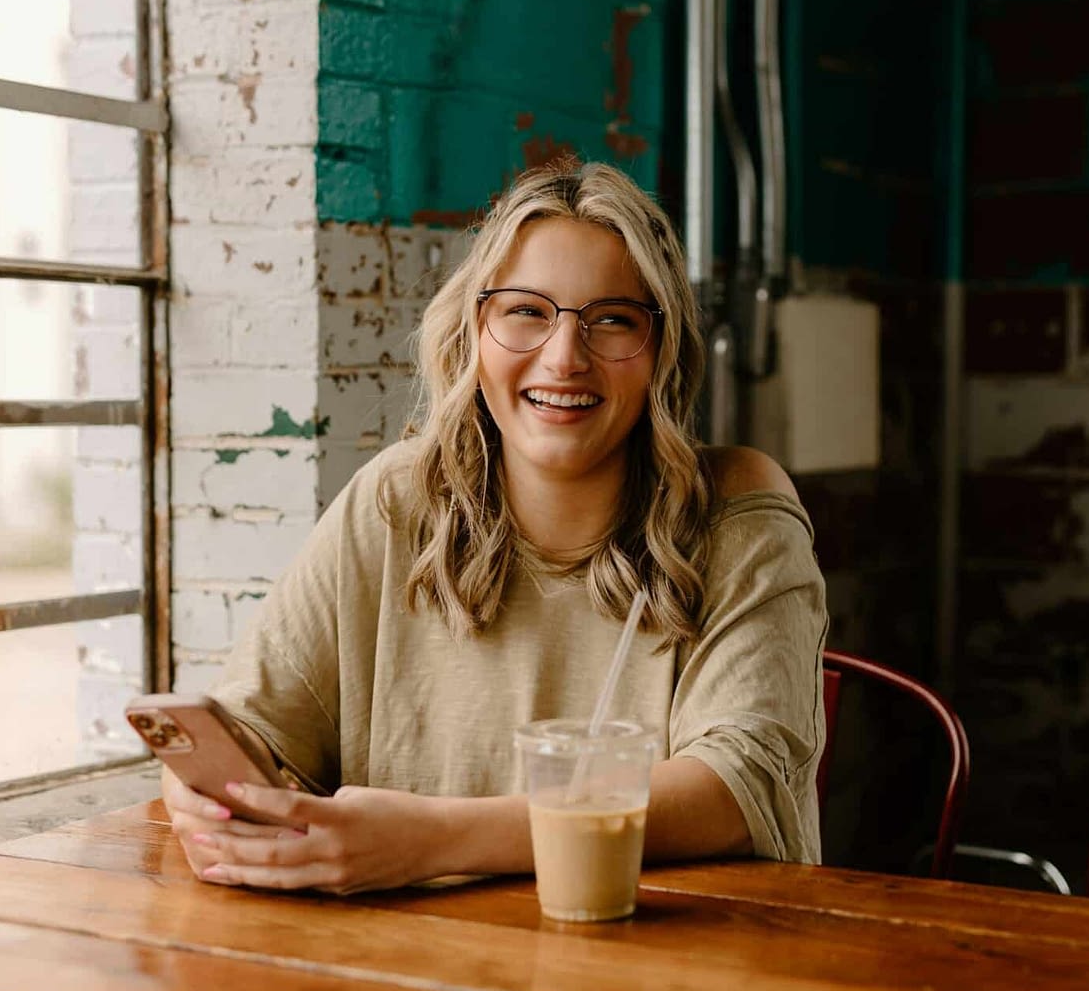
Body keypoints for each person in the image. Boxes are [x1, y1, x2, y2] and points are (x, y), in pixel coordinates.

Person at [162, 159, 827, 893]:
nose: (565, 356)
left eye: (612, 320)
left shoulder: (735, 508)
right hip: (413, 974)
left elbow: (738, 789)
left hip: (672, 972)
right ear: (474, 330)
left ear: (660, 354)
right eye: (526, 312)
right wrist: (204, 796)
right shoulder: (393, 501)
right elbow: (252, 726)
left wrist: (434, 841)